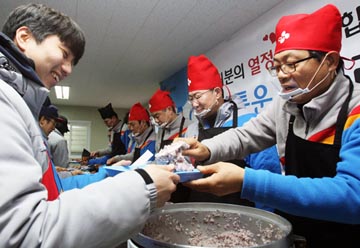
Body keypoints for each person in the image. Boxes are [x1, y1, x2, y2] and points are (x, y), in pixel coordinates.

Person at [179, 4, 360, 247]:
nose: (282, 74)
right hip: (298, 230)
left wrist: (248, 182)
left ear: (330, 61)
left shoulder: (355, 110)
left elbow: (353, 195)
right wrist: (206, 149)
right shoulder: (285, 105)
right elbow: (246, 135)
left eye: (292, 63)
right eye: (276, 66)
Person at [0, 3, 179, 247]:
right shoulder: (5, 101)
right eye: (64, 54)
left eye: (72, 62)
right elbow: (24, 233)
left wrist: (109, 172)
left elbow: (54, 187)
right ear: (24, 37)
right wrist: (141, 186)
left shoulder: (20, 105)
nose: (68, 69)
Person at [182, 55, 280, 208]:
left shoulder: (248, 121)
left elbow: (267, 171)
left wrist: (265, 216)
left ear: (217, 92)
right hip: (199, 209)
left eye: (198, 96)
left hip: (241, 213)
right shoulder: (192, 130)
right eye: (190, 98)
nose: (194, 104)